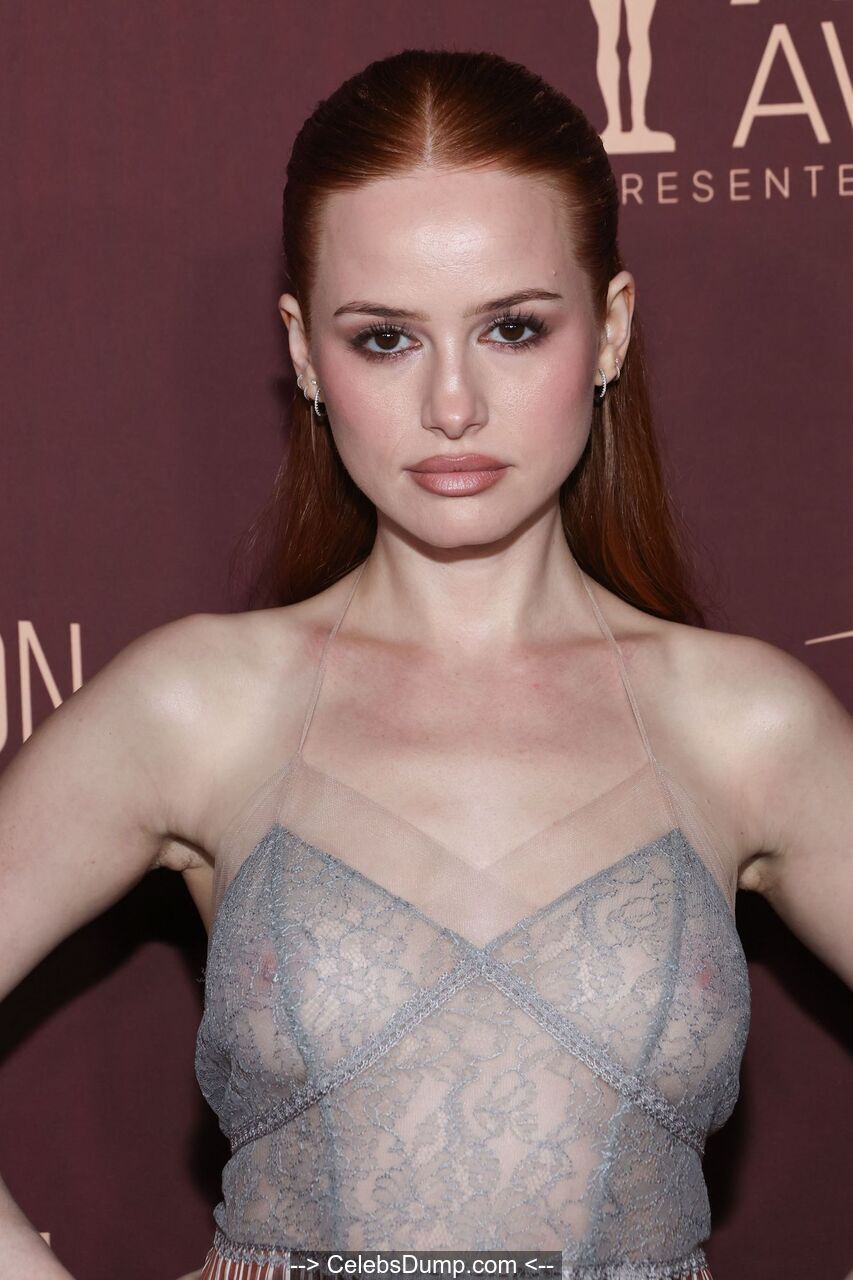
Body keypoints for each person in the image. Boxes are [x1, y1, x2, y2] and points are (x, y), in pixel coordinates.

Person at [1, 47, 850, 1280]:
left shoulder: (742, 723)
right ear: (304, 352)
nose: (454, 404)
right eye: (386, 338)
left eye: (512, 328)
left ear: (609, 329)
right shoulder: (200, 707)